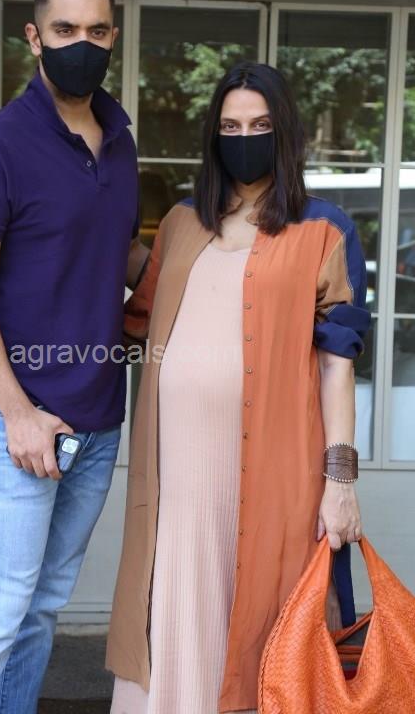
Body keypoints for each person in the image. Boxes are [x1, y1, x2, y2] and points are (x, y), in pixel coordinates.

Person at [106, 61, 370, 714]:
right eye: (229, 126)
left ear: (284, 133)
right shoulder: (180, 223)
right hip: (175, 476)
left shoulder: (325, 229)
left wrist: (340, 482)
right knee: (170, 606)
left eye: (258, 125)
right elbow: (137, 318)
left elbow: (336, 364)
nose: (243, 137)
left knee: (266, 624)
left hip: (273, 471)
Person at [0, 0, 148, 713]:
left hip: (97, 419)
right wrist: (18, 413)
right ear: (34, 36)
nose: (81, 44)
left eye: (96, 31)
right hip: (15, 419)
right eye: (64, 29)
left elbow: (119, 252)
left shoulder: (119, 141)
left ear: (113, 34)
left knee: (40, 611)